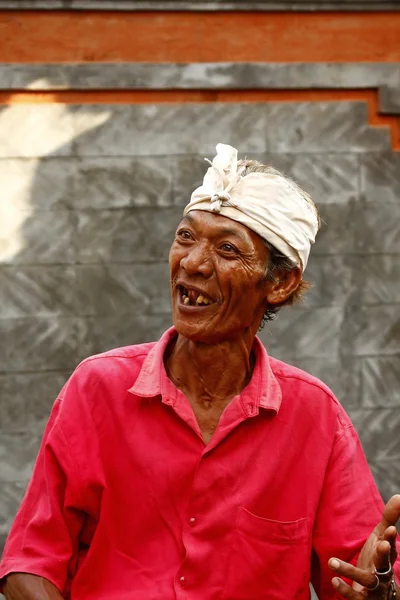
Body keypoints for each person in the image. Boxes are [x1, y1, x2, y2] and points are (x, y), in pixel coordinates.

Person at [0, 144, 398, 600]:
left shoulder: (315, 417)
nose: (192, 263)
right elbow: (30, 564)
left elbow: (357, 576)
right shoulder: (96, 389)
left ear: (280, 284)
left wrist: (380, 589)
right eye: (186, 237)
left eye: (227, 249)